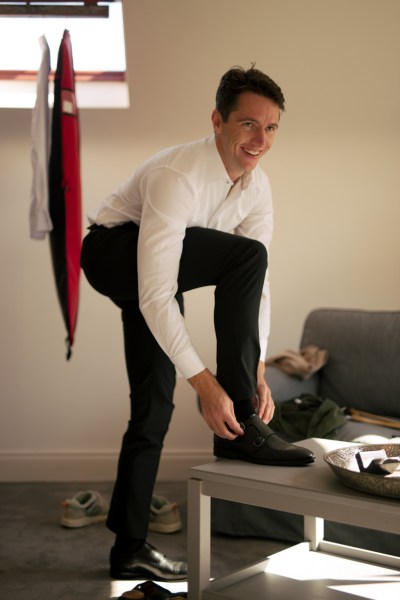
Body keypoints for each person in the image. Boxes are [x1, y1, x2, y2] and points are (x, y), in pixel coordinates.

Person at [80, 65, 315, 581]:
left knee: (154, 407)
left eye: (271, 128)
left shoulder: (257, 187)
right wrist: (207, 384)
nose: (260, 140)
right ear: (218, 121)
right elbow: (155, 292)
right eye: (249, 125)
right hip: (111, 250)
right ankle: (240, 430)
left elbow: (260, 284)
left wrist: (251, 370)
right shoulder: (179, 175)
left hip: (159, 269)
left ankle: (129, 548)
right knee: (243, 256)